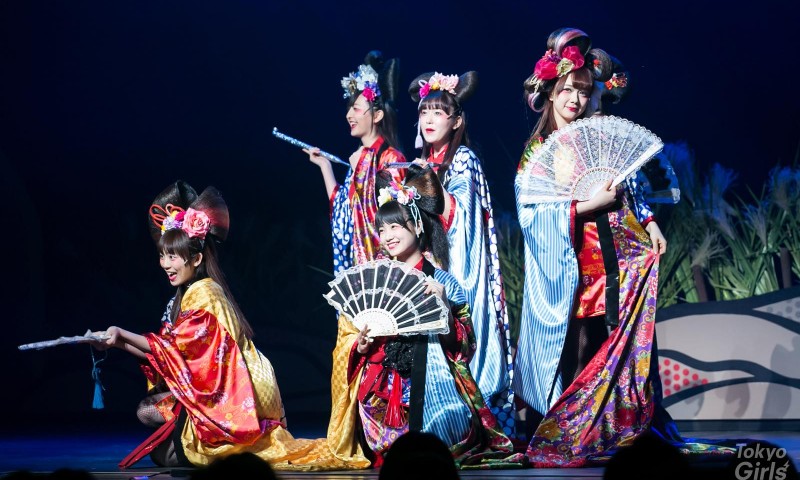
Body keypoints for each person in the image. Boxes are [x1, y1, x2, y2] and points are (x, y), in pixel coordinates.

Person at [513, 28, 683, 466]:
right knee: (582, 349)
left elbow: (629, 185)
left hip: (617, 258)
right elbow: (531, 214)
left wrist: (649, 222)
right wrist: (590, 205)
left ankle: (624, 427)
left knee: (624, 341)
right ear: (550, 93)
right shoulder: (537, 150)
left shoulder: (598, 136)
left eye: (584, 91)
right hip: (573, 267)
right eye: (567, 89)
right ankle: (575, 431)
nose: (575, 98)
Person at [92, 181, 315, 468]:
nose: (165, 264)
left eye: (172, 256)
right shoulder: (186, 295)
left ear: (196, 258)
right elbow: (169, 355)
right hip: (212, 387)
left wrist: (121, 333)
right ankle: (209, 445)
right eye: (162, 255)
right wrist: (117, 342)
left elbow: (171, 349)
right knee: (155, 433)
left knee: (155, 424)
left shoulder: (206, 293)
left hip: (237, 390)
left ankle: (228, 445)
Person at [342, 164, 523, 469]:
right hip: (383, 384)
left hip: (433, 381)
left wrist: (444, 309)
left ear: (417, 226)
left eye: (395, 227)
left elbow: (464, 347)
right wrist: (362, 345)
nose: (387, 236)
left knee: (441, 434)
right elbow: (362, 341)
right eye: (382, 230)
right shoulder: (376, 279)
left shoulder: (443, 281)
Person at [407, 71, 514, 433]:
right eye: (424, 112)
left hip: (459, 268)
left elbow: (462, 219)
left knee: (462, 340)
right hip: (428, 266)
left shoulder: (463, 158)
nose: (429, 119)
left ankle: (477, 427)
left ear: (455, 121)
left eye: (438, 112)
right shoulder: (423, 163)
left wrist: (429, 184)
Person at [304, 50, 406, 274]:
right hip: (358, 263)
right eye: (349, 108)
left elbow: (393, 217)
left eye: (356, 109)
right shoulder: (359, 159)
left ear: (377, 115)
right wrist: (325, 167)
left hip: (383, 266)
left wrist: (361, 170)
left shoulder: (391, 159)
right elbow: (344, 213)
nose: (349, 115)